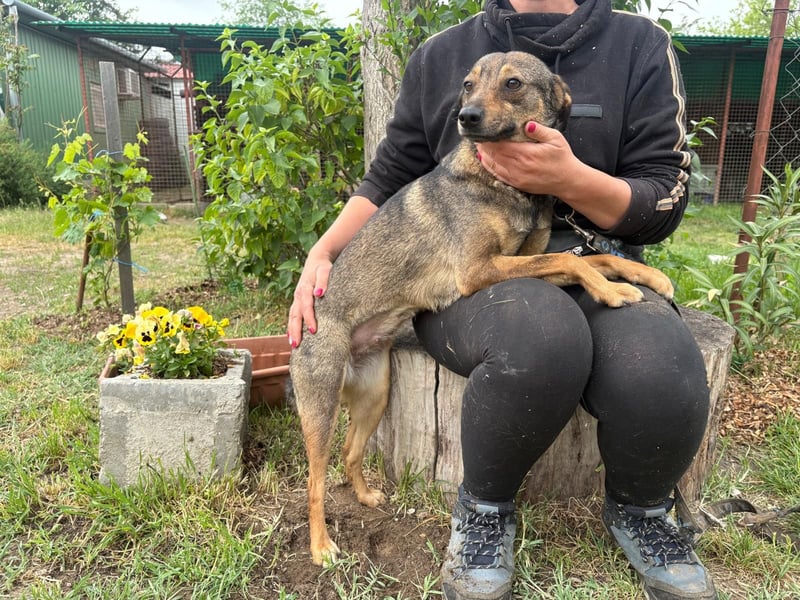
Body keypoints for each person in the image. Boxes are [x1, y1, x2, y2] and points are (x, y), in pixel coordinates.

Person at [287, 0, 717, 598]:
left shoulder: (639, 44)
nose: (474, 106)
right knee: (538, 337)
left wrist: (568, 182)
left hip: (577, 249)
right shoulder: (440, 53)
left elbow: (663, 193)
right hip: (459, 281)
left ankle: (642, 514)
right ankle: (484, 511)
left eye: (508, 89)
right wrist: (323, 252)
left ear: (551, 100)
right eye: (472, 92)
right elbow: (389, 176)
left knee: (661, 365)